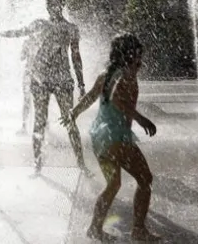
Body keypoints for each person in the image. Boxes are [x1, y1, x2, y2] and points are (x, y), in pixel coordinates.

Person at [64, 34, 159, 242]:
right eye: (137, 52)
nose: (140, 57)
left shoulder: (106, 74)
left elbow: (90, 97)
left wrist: (74, 112)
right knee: (145, 179)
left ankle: (95, 229)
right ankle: (138, 229)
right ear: (130, 53)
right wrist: (141, 119)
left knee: (113, 185)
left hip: (101, 137)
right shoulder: (125, 74)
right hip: (117, 138)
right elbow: (117, 98)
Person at [0, 0, 88, 174]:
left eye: (56, 4)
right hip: (40, 78)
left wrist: (81, 84)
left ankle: (81, 164)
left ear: (62, 5)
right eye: (49, 4)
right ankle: (37, 163)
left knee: (70, 122)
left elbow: (76, 56)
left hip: (63, 78)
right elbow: (18, 32)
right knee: (39, 121)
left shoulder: (71, 29)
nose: (52, 8)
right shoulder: (40, 24)